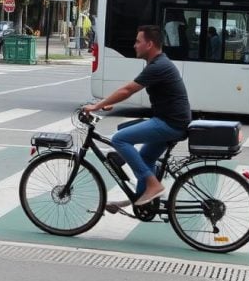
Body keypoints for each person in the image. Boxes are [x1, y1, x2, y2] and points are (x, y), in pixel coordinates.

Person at [82, 25, 191, 207]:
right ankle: (139, 199)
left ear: (149, 44)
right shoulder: (158, 63)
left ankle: (153, 185)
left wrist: (97, 106)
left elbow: (128, 90)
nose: (134, 45)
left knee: (120, 139)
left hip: (169, 124)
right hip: (172, 121)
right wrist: (110, 102)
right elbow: (129, 90)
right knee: (146, 157)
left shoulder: (158, 66)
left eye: (138, 41)